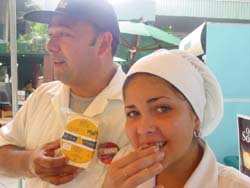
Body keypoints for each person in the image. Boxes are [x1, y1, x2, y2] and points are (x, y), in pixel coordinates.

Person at [0, 0, 128, 187]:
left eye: (64, 34)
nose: (50, 46)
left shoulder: (139, 109)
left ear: (103, 43)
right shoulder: (43, 96)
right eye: (50, 34)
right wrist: (29, 162)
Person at [102, 49, 250, 188]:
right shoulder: (123, 173)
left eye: (162, 109)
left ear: (196, 117)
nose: (143, 129)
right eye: (133, 113)